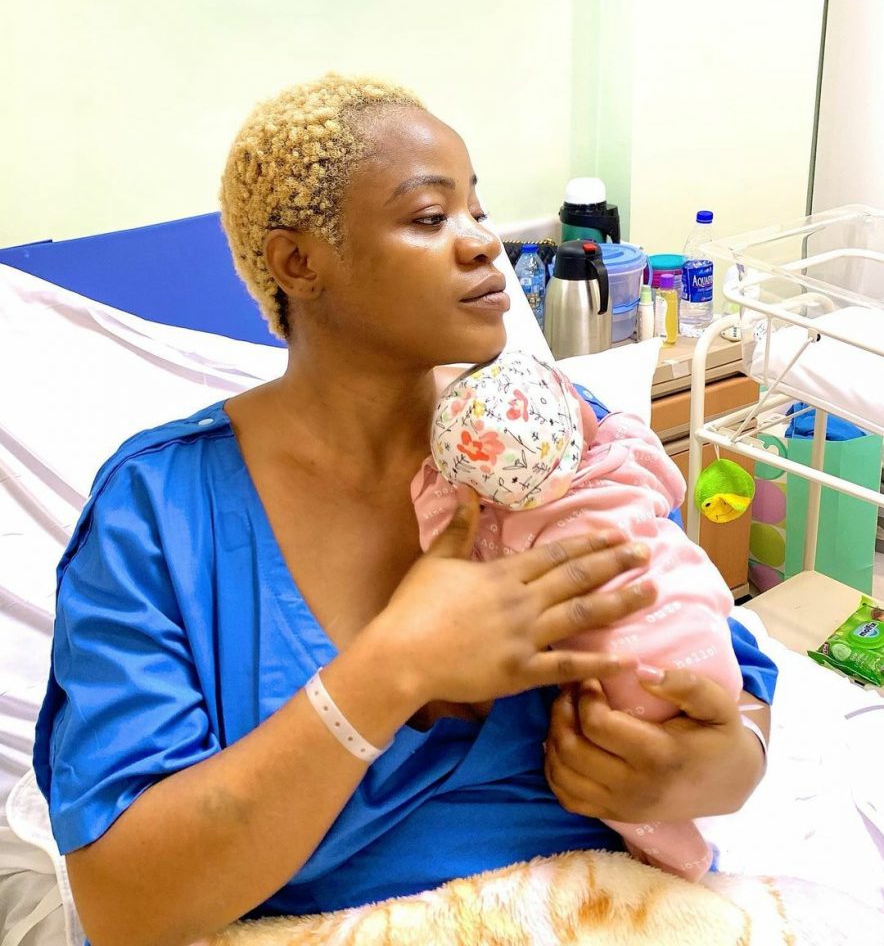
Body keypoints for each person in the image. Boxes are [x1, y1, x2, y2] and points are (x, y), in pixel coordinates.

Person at [33, 74, 776, 946]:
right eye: (430, 217)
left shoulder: (549, 431)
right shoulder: (159, 512)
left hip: (605, 912)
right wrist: (394, 668)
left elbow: (717, 664)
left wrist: (717, 770)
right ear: (298, 263)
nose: (484, 243)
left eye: (477, 211)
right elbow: (124, 904)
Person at [413, 351, 743, 879]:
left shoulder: (500, 530)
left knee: (618, 778)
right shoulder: (621, 459)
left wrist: (435, 486)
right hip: (703, 632)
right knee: (635, 770)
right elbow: (670, 485)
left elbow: (447, 556)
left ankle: (680, 858)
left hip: (619, 687)